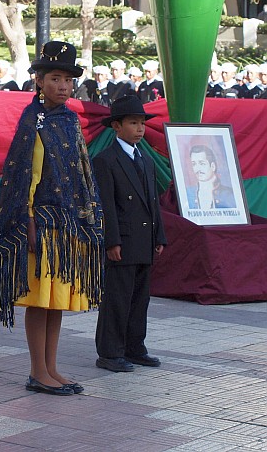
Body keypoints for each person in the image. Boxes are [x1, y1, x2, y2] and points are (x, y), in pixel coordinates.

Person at [0, 41, 104, 396]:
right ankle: (37, 371)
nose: (63, 86)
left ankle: (52, 367)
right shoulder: (32, 121)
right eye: (55, 78)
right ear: (39, 80)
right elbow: (24, 174)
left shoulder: (69, 120)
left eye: (68, 81)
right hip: (40, 224)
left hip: (66, 223)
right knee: (39, 301)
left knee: (56, 301)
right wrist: (26, 221)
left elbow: (80, 173)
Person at [93, 95, 166, 373]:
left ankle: (136, 347)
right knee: (117, 297)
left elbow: (153, 202)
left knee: (140, 298)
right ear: (116, 126)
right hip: (122, 240)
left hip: (144, 239)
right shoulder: (106, 160)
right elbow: (106, 205)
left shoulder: (145, 159)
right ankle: (110, 352)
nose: (140, 128)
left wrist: (159, 236)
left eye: (142, 123)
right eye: (133, 123)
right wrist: (111, 240)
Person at [186, 144, 236, 209]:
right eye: (194, 164)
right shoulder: (188, 194)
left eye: (202, 163)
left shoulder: (229, 194)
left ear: (213, 166)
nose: (198, 169)